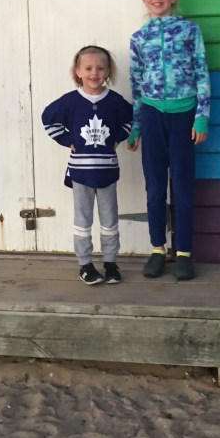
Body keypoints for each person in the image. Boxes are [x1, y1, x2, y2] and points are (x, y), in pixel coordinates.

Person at [127, 0, 209, 281]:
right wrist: (136, 126)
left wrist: (201, 116)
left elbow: (202, 74)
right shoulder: (139, 37)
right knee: (155, 187)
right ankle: (158, 249)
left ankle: (184, 252)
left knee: (183, 186)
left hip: (183, 116)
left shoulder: (189, 30)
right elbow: (136, 83)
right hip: (151, 116)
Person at [42, 45, 134, 285]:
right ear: (78, 71)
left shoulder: (114, 101)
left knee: (109, 219)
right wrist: (67, 140)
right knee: (83, 220)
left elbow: (131, 119)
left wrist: (118, 138)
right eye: (88, 68)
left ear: (108, 71)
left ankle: (111, 262)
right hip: (80, 172)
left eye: (100, 68)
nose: (94, 73)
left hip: (107, 171)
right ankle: (84, 263)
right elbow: (48, 119)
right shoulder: (70, 101)